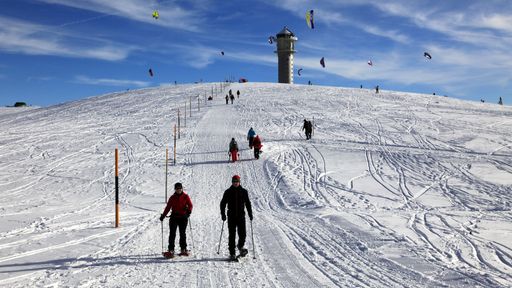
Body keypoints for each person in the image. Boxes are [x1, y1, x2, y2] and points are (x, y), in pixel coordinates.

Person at [220, 175, 253, 260]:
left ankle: (240, 246)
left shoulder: (244, 191)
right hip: (231, 216)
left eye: (237, 181)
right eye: (234, 182)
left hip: (241, 216)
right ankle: (232, 253)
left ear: (239, 182)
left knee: (243, 234)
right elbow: (222, 203)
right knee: (232, 235)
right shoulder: (228, 192)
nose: (235, 183)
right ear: (232, 182)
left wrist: (250, 213)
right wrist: (223, 214)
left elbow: (248, 203)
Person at [160, 182, 193, 258]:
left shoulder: (185, 196)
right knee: (172, 234)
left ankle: (183, 249)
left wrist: (189, 211)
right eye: (177, 189)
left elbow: (190, 205)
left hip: (183, 217)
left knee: (182, 233)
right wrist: (163, 216)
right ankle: (171, 250)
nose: (179, 190)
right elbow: (168, 207)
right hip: (174, 217)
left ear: (182, 189)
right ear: (175, 189)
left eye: (180, 188)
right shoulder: (172, 197)